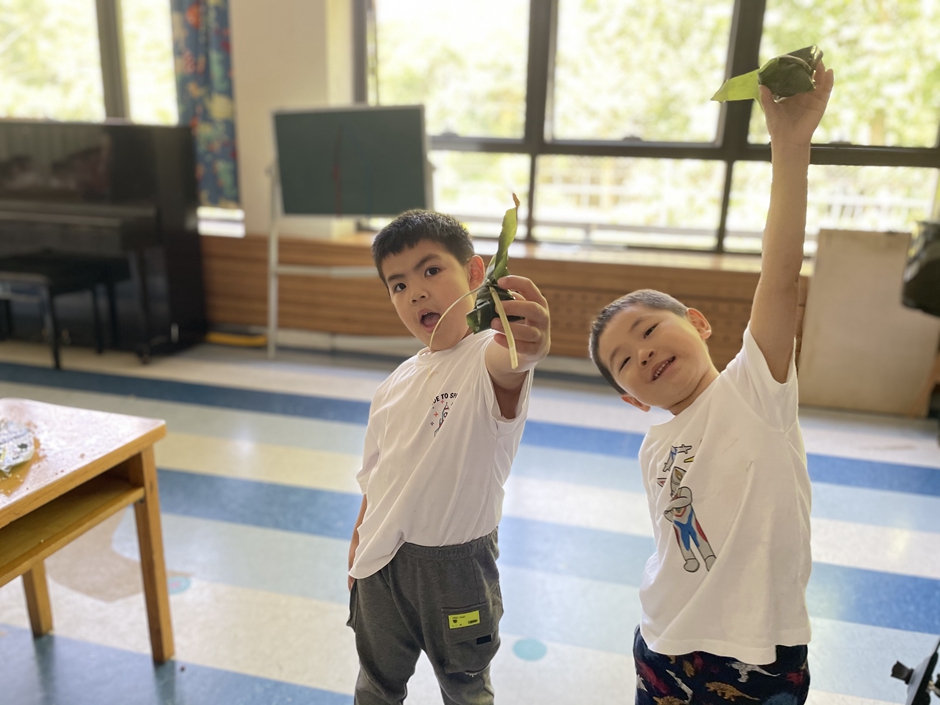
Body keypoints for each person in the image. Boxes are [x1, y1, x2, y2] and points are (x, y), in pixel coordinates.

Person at [588, 62, 834, 704]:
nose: (642, 352)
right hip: (664, 642)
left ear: (697, 323)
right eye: (623, 360)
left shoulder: (755, 388)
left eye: (649, 329)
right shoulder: (653, 446)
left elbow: (779, 276)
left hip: (757, 654)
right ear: (631, 397)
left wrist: (790, 149)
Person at [346, 209, 551, 705]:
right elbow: (376, 476)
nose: (415, 292)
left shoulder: (486, 357)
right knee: (375, 685)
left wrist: (530, 342)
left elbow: (514, 361)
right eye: (398, 285)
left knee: (465, 688)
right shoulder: (393, 384)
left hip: (457, 571)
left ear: (475, 273)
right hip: (380, 565)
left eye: (431, 270)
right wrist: (357, 545)